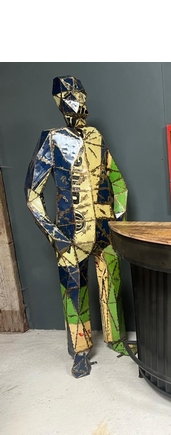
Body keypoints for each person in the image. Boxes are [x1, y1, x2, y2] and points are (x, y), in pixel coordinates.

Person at [25, 76, 131, 378]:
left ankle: (116, 338)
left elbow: (117, 180)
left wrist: (118, 222)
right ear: (58, 102)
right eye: (71, 96)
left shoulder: (96, 136)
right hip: (70, 235)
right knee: (74, 291)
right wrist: (53, 234)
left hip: (105, 232)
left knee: (111, 285)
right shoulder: (52, 139)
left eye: (81, 95)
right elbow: (32, 194)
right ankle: (80, 351)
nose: (79, 102)